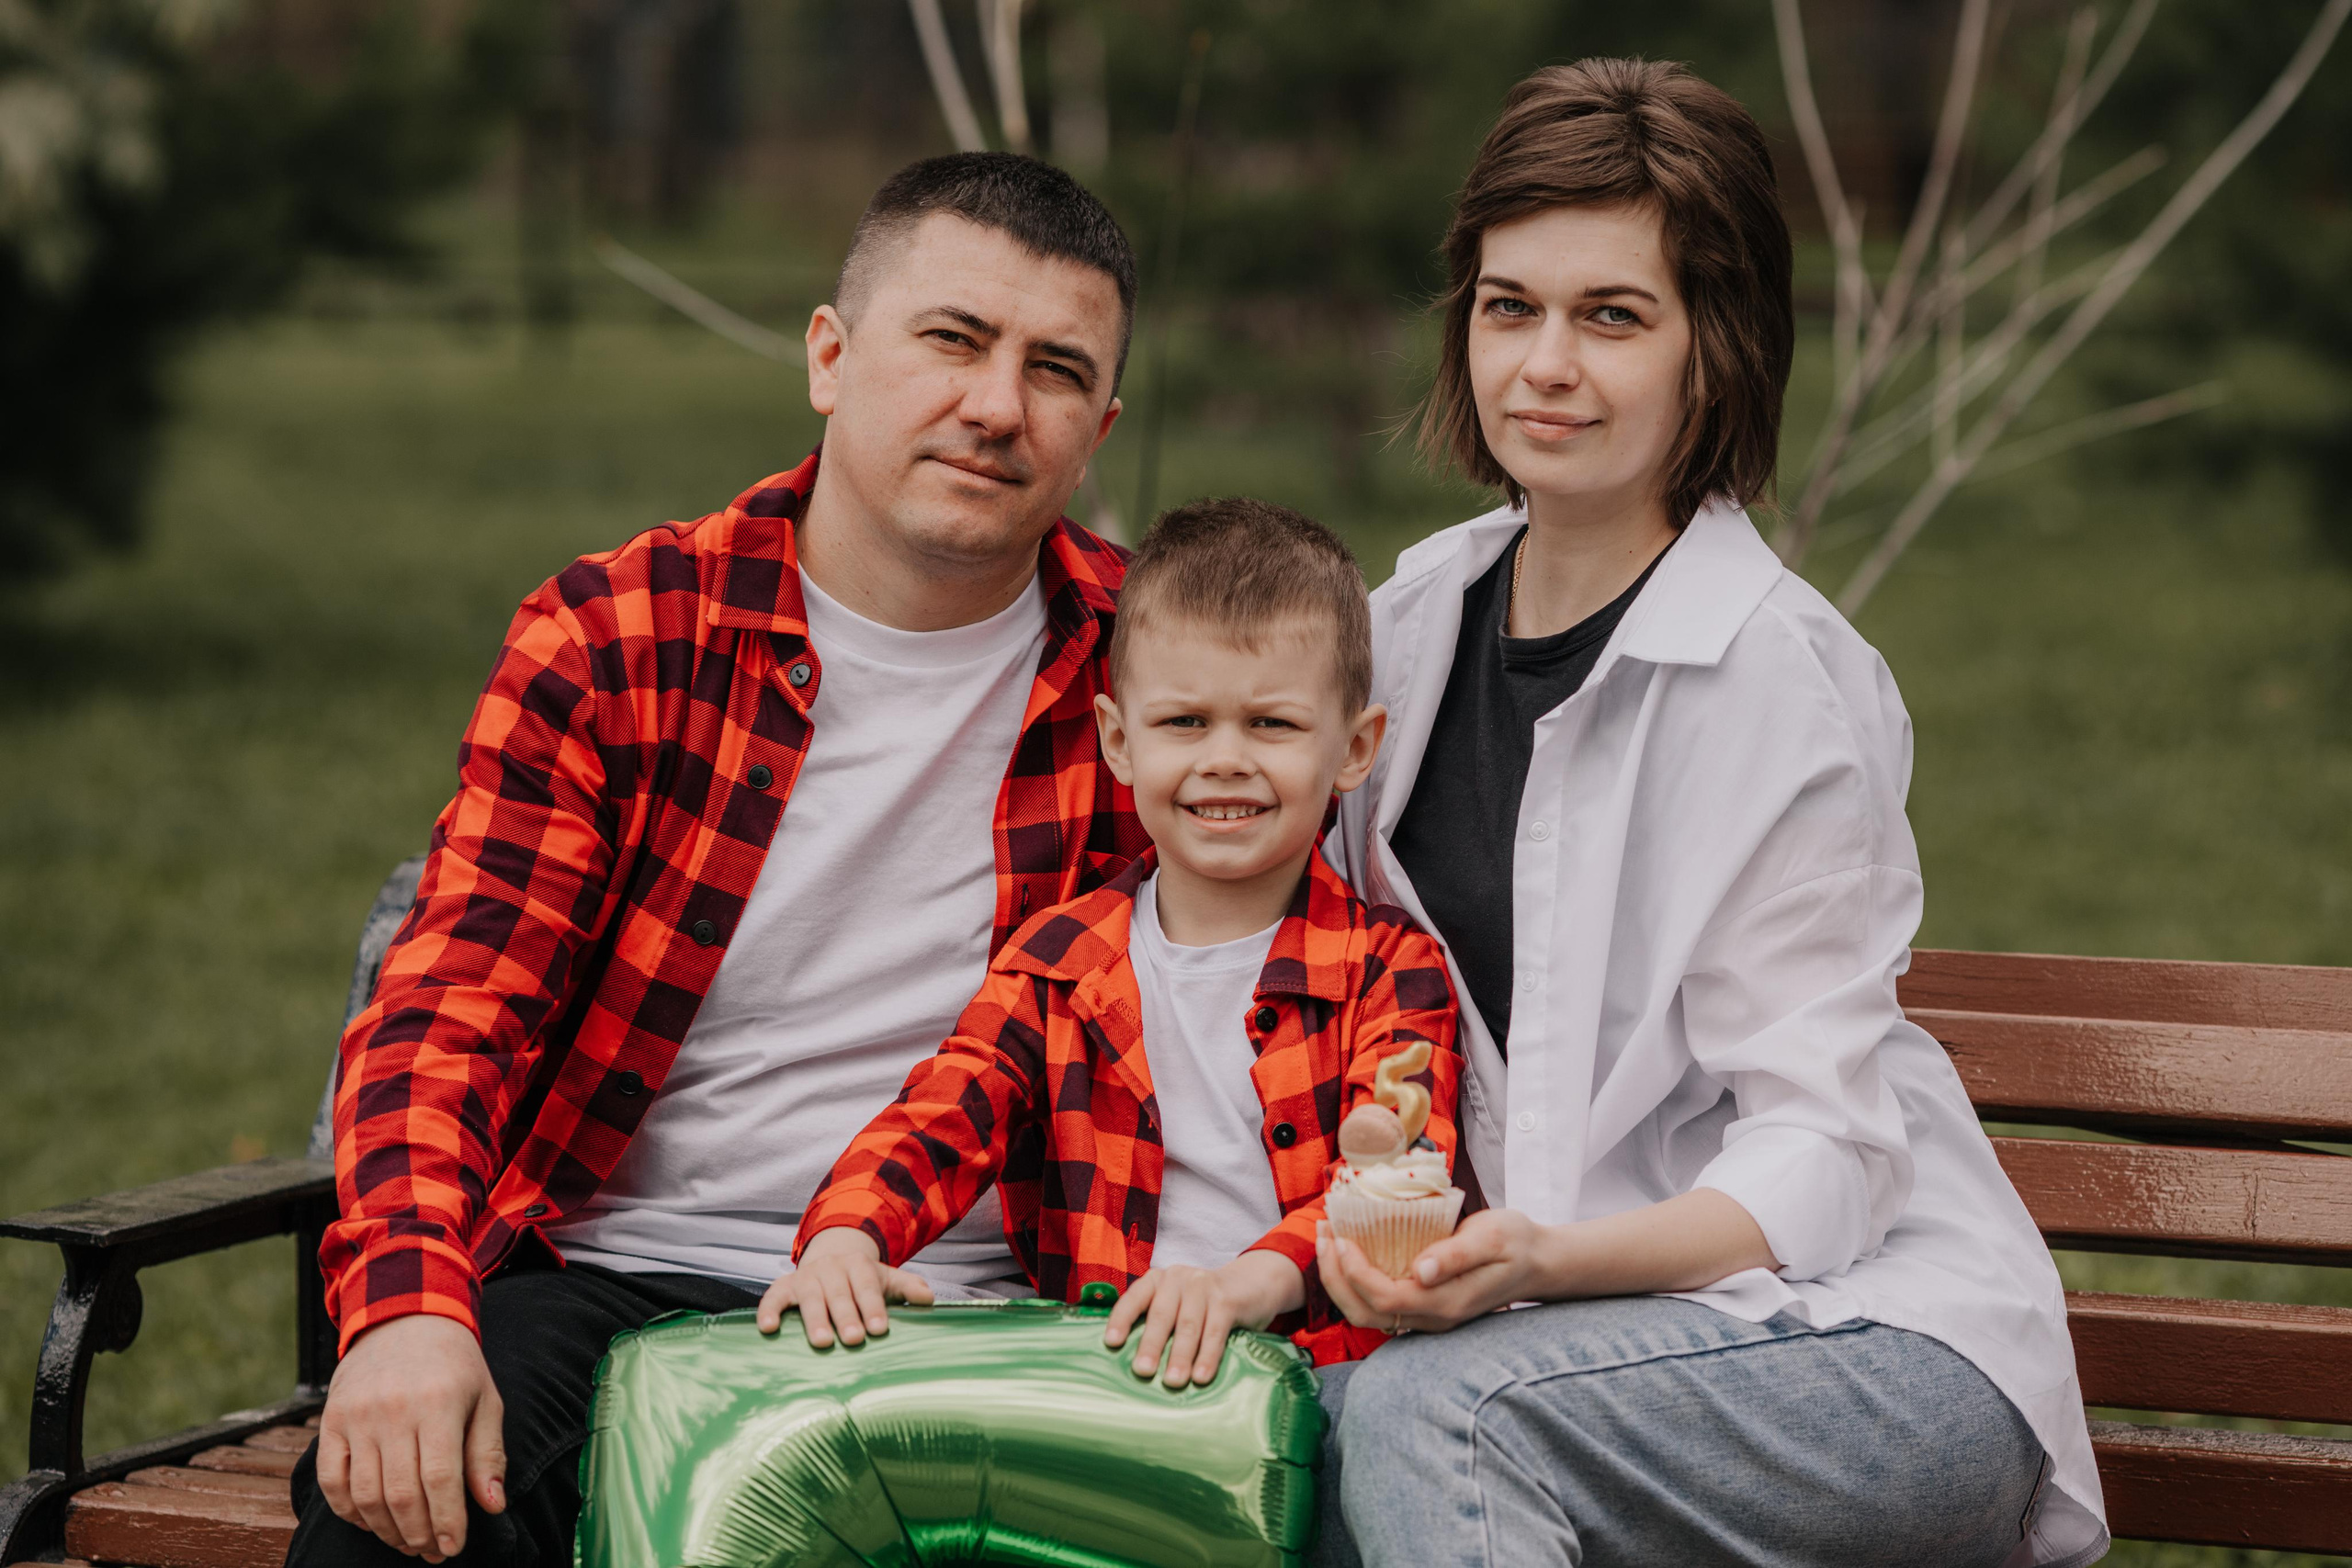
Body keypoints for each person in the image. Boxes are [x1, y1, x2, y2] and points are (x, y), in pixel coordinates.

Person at [291, 152, 1152, 1567]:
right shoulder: (622, 637)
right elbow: (447, 1009)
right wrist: (405, 1309)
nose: (998, 406)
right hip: (628, 1276)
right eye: (953, 338)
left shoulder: (1162, 671)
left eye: (1055, 370)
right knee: (414, 1498)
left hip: (1009, 1307)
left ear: (1100, 423)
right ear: (830, 356)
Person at [1307, 60, 2109, 1568]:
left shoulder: (1780, 678)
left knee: (1433, 1419)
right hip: (1560, 1353)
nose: (1546, 363)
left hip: (1868, 1348)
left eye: (1613, 316)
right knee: (1292, 1434)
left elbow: (1827, 1150)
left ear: (1714, 349)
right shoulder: (1398, 634)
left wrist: (1545, 1261)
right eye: (1509, 306)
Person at [764, 499, 1463, 1384]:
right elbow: (942, 1113)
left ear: (1354, 749)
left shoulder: (1392, 970)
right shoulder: (1058, 964)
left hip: (1320, 1372)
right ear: (1120, 741)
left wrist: (1244, 1284)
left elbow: (1397, 1177)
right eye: (1184, 722)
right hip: (1102, 1373)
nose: (1224, 758)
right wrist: (846, 1237)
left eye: (1272, 724)